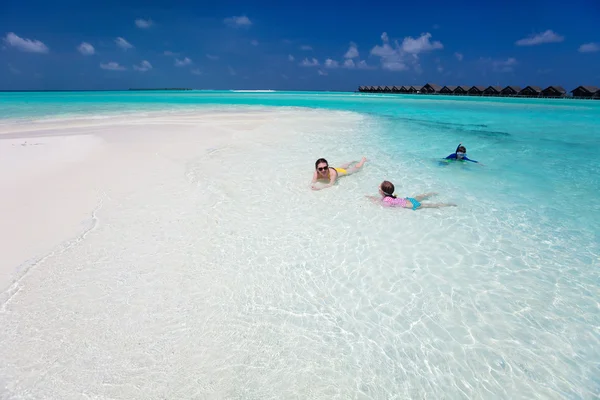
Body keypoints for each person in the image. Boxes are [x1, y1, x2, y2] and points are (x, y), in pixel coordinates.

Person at [366, 180, 457, 209]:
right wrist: (372, 198)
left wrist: (373, 200)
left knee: (431, 205)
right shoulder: (389, 197)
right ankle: (431, 194)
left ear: (382, 192)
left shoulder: (386, 200)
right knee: (420, 197)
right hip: (407, 200)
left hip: (411, 205)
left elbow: (383, 204)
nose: (378, 188)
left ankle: (449, 204)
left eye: (379, 188)